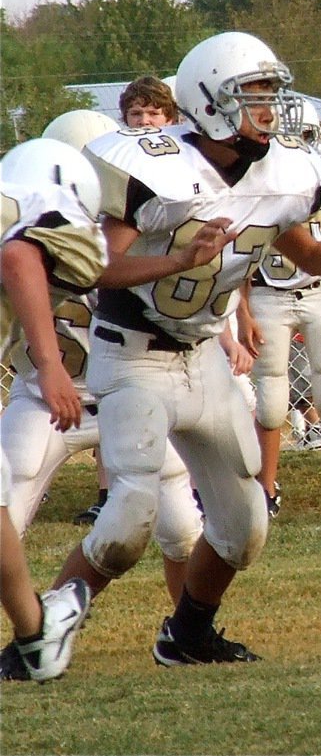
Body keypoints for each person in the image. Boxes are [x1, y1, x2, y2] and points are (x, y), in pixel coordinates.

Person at [44, 30, 321, 667]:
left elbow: (311, 252)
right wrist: (178, 259)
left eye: (271, 94)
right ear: (210, 101)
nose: (271, 109)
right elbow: (92, 268)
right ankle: (40, 632)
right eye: (255, 95)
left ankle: (187, 635)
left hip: (204, 352)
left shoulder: (285, 170)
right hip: (132, 352)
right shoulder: (150, 166)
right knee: (128, 519)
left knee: (245, 526)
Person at [0, 112, 201, 627]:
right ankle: (33, 631)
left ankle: (188, 628)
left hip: (125, 391)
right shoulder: (39, 226)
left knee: (180, 526)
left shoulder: (144, 231)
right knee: (9, 507)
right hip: (46, 400)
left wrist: (180, 263)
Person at [0, 137, 106, 681]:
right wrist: (48, 363)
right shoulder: (43, 207)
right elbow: (19, 256)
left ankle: (36, 635)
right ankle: (38, 635)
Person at [238, 99, 321, 516]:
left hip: (320, 290)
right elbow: (241, 255)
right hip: (268, 294)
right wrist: (242, 310)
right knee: (272, 399)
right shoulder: (252, 176)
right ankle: (266, 489)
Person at [71, 83, 179, 526]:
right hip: (124, 295)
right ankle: (113, 490)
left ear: (171, 118)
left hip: (183, 299)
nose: (146, 122)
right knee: (118, 400)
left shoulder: (186, 164)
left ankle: (186, 491)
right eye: (137, 114)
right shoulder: (112, 163)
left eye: (155, 113)